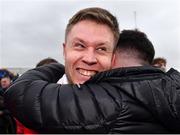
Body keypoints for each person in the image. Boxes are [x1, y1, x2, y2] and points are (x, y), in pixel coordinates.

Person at [4, 29, 180, 133]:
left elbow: (21, 92)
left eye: (102, 50)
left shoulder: (107, 98)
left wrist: (63, 66)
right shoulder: (174, 87)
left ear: (114, 56)